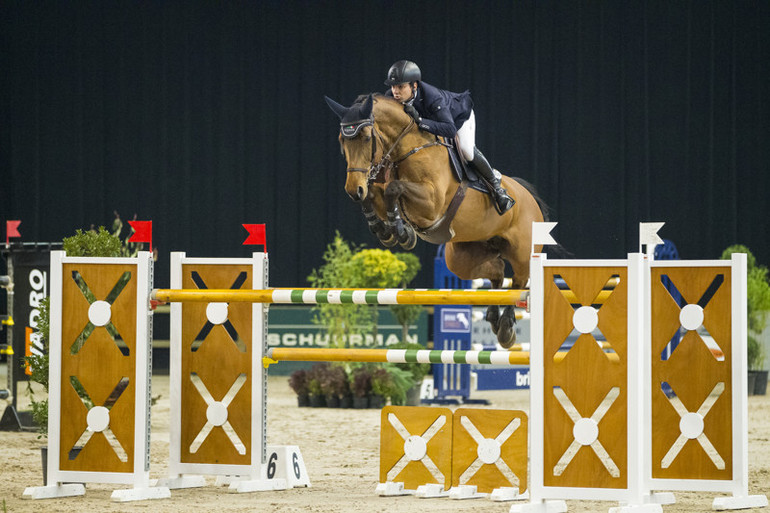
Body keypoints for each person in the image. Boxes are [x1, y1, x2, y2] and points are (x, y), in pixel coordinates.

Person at [384, 60, 514, 214]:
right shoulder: (391, 98)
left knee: (467, 150)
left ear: (414, 86)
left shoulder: (433, 98)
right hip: (434, 122)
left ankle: (497, 188)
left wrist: (420, 121)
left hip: (458, 117)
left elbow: (450, 129)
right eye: (393, 86)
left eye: (401, 86)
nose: (395, 91)